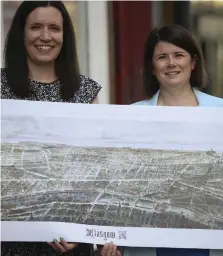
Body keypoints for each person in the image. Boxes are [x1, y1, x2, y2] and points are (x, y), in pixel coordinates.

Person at [98, 25, 223, 256]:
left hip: (210, 241)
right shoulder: (132, 116)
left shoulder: (220, 112)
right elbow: (118, 186)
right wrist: (111, 239)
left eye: (179, 55)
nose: (171, 63)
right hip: (150, 243)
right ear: (152, 68)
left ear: (193, 62)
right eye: (162, 57)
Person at [1, 1, 101, 255]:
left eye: (54, 28)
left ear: (65, 35)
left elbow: (96, 171)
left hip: (70, 241)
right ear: (21, 32)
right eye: (36, 27)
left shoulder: (86, 92)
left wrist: (83, 232)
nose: (45, 36)